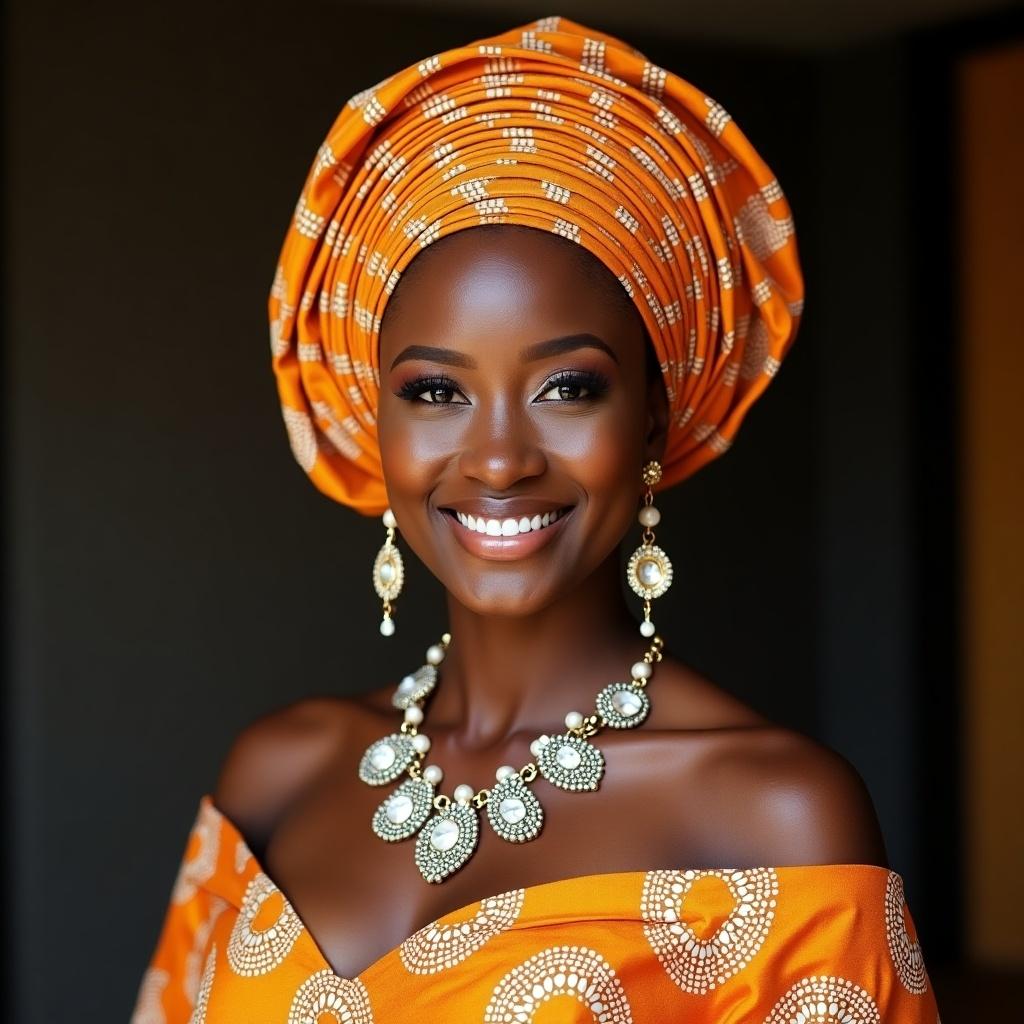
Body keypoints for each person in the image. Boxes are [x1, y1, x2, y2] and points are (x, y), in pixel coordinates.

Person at [130, 15, 941, 1023]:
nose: (500, 459)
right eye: (434, 392)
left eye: (566, 386)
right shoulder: (275, 772)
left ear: (652, 411)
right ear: (371, 421)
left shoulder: (777, 818)